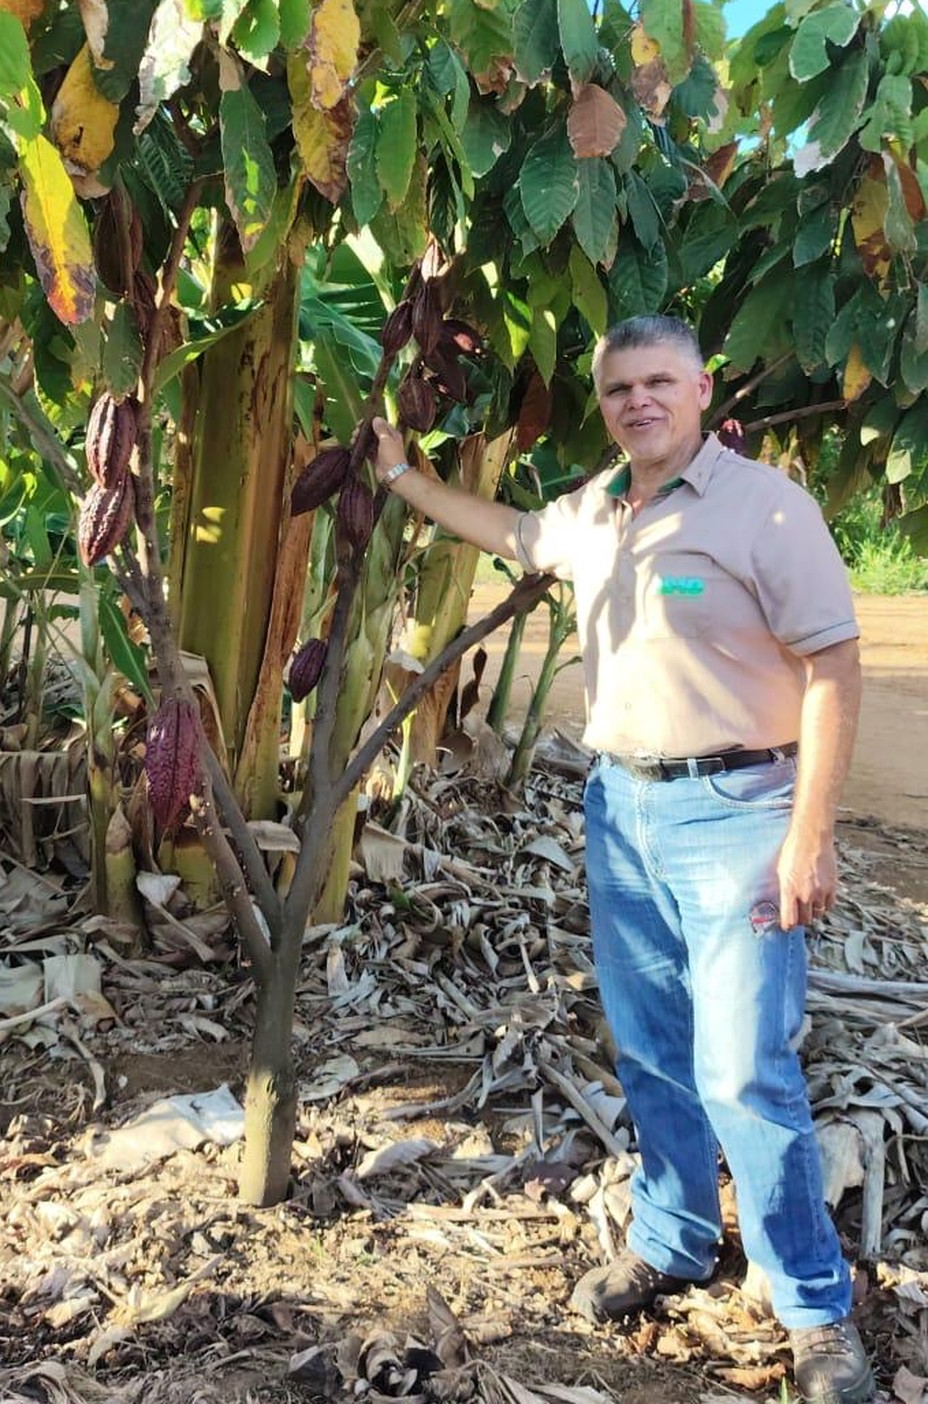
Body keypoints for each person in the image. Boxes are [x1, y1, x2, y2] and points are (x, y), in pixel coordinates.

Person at [370, 313, 871, 1404]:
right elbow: (504, 529)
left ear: (699, 389)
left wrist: (811, 832)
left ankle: (814, 1310)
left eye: (657, 383)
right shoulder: (594, 513)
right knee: (650, 1051)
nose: (637, 402)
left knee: (745, 1068)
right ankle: (677, 1237)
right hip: (622, 816)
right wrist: (404, 476)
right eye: (617, 390)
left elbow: (834, 665)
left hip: (739, 811)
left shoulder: (765, 508)